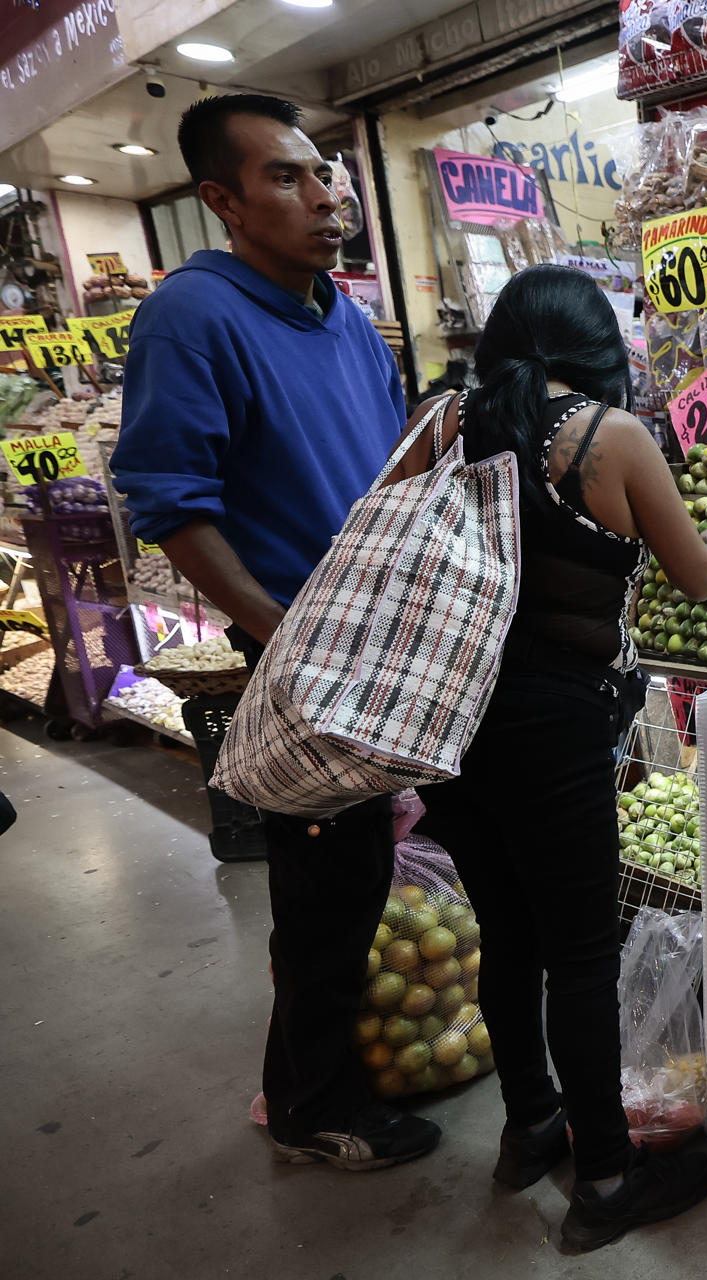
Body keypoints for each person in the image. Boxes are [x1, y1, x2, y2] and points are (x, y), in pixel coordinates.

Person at [110, 94, 436, 1170]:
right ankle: (309, 1103)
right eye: (287, 178)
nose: (325, 195)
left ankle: (325, 1066)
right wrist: (281, 637)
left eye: (326, 173)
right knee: (324, 885)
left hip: (378, 640)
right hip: (298, 651)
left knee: (365, 870)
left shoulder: (342, 316)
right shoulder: (191, 316)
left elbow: (390, 468)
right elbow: (169, 500)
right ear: (222, 201)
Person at [386, 264, 707, 1253]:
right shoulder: (606, 437)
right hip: (553, 724)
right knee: (581, 952)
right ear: (596, 349)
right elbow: (698, 576)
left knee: (507, 929)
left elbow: (381, 533)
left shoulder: (443, 418)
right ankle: (608, 1181)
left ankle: (529, 1122)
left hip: (452, 719)